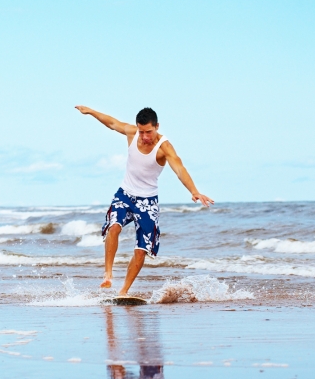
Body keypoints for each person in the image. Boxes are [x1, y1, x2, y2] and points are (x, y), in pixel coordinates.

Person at [75, 106, 213, 295]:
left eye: (149, 132)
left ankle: (123, 291)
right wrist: (91, 112)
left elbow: (180, 169)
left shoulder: (164, 147)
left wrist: (194, 191)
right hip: (125, 194)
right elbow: (112, 122)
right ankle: (108, 274)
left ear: (157, 126)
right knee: (114, 226)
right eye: (141, 132)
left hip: (147, 202)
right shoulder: (132, 133)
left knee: (141, 249)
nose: (145, 136)